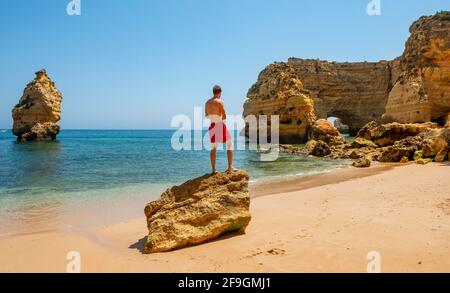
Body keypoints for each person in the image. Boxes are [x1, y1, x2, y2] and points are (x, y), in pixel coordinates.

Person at [205, 85, 235, 174]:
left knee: (213, 148)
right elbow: (224, 116)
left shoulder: (207, 103)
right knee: (230, 144)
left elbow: (206, 115)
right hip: (219, 124)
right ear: (220, 92)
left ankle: (214, 170)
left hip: (212, 125)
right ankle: (230, 167)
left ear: (213, 92)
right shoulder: (219, 102)